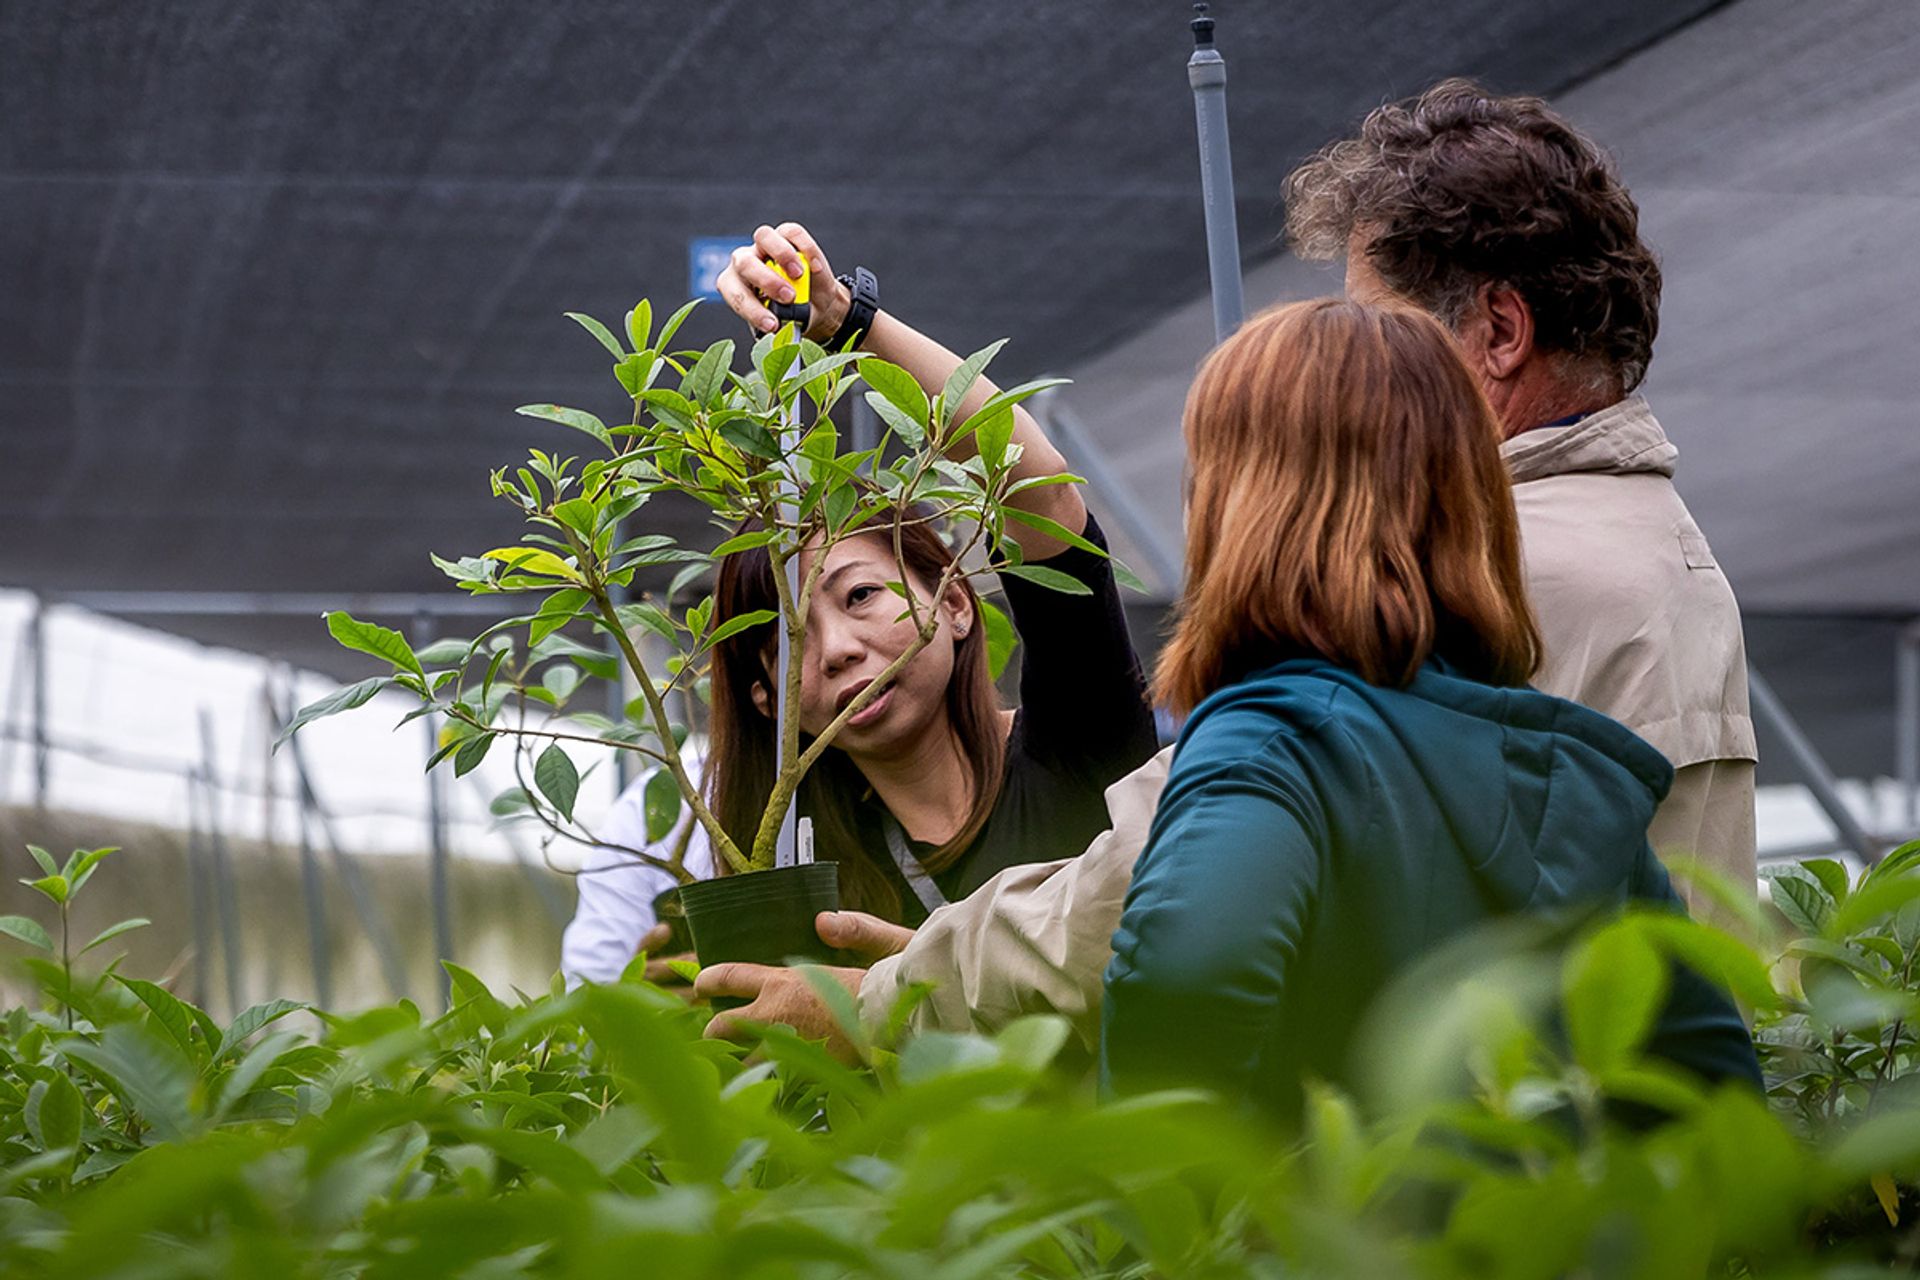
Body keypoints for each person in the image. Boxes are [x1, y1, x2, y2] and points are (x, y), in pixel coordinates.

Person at [695, 78, 1761, 1047]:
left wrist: (891, 997)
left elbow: (1164, 896)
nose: (1359, 370)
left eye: (1374, 335)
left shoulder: (1491, 580)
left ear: (1497, 331)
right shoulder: (1643, 554)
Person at [1095, 298, 1759, 1112]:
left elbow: (1183, 995)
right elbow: (1715, 1094)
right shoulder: (1566, 768)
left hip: (1326, 1236)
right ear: (1466, 498)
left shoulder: (1267, 743)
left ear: (1242, 503)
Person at [696, 223, 1159, 925]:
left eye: (859, 594)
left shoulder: (1076, 750)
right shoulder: (796, 872)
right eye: (788, 641)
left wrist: (847, 324)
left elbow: (1040, 500)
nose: (839, 649)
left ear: (954, 601)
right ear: (766, 699)